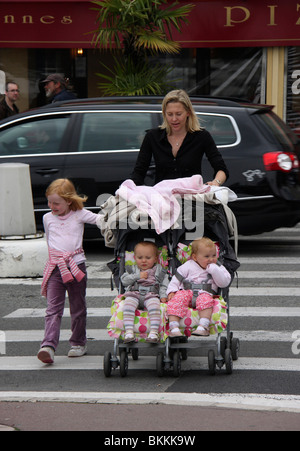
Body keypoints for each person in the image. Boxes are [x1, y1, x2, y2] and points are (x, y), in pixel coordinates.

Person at [37, 179, 99, 364]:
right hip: (56, 268)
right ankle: (48, 345)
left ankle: (79, 343)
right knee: (52, 309)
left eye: (56, 203)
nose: (51, 206)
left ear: (69, 201)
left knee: (77, 307)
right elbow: (50, 241)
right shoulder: (47, 218)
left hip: (76, 266)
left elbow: (100, 221)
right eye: (49, 202)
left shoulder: (79, 214)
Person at [130, 89, 229, 187]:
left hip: (192, 199)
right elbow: (139, 171)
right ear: (164, 114)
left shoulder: (202, 136)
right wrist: (130, 190)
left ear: (188, 113)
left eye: (178, 114)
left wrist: (216, 182)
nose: (174, 119)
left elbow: (221, 169)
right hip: (163, 199)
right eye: (170, 114)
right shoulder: (152, 136)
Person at [166, 237, 231, 337]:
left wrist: (215, 270)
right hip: (187, 291)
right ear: (195, 257)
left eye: (214, 255)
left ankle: (203, 326)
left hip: (205, 293)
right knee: (177, 299)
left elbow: (224, 282)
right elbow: (176, 279)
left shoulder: (217, 266)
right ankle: (173, 327)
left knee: (206, 301)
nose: (211, 259)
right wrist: (172, 291)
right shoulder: (188, 265)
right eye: (207, 256)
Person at [120, 241, 169, 344]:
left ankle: (154, 332)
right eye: (140, 257)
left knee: (155, 307)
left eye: (148, 258)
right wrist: (137, 276)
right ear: (135, 258)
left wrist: (163, 296)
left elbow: (164, 284)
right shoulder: (132, 269)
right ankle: (129, 332)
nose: (143, 261)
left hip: (151, 294)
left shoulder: (159, 270)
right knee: (128, 306)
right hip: (134, 293)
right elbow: (124, 281)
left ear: (155, 259)